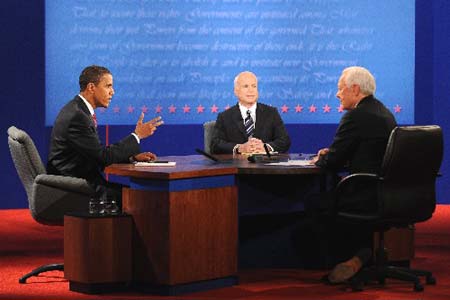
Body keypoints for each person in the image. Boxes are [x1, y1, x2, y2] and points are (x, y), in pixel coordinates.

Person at [310, 66, 397, 283]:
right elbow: (370, 151)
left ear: (355, 89)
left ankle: (347, 259)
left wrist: (321, 158)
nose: (337, 94)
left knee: (316, 203)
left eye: (341, 89)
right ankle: (361, 254)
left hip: (364, 194)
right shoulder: (384, 112)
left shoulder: (356, 116)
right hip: (389, 194)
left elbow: (332, 163)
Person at [47, 65, 163, 204]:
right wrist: (137, 136)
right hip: (74, 188)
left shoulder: (78, 110)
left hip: (79, 181)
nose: (112, 92)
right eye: (108, 86)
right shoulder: (78, 116)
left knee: (139, 195)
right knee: (142, 199)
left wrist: (131, 157)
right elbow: (102, 157)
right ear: (91, 87)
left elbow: (96, 154)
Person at [210, 71, 291, 154]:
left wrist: (266, 147)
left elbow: (284, 141)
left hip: (265, 164)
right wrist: (239, 148)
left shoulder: (271, 113)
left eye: (254, 86)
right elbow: (215, 145)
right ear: (236, 91)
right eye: (246, 86)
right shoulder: (225, 117)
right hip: (236, 165)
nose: (251, 90)